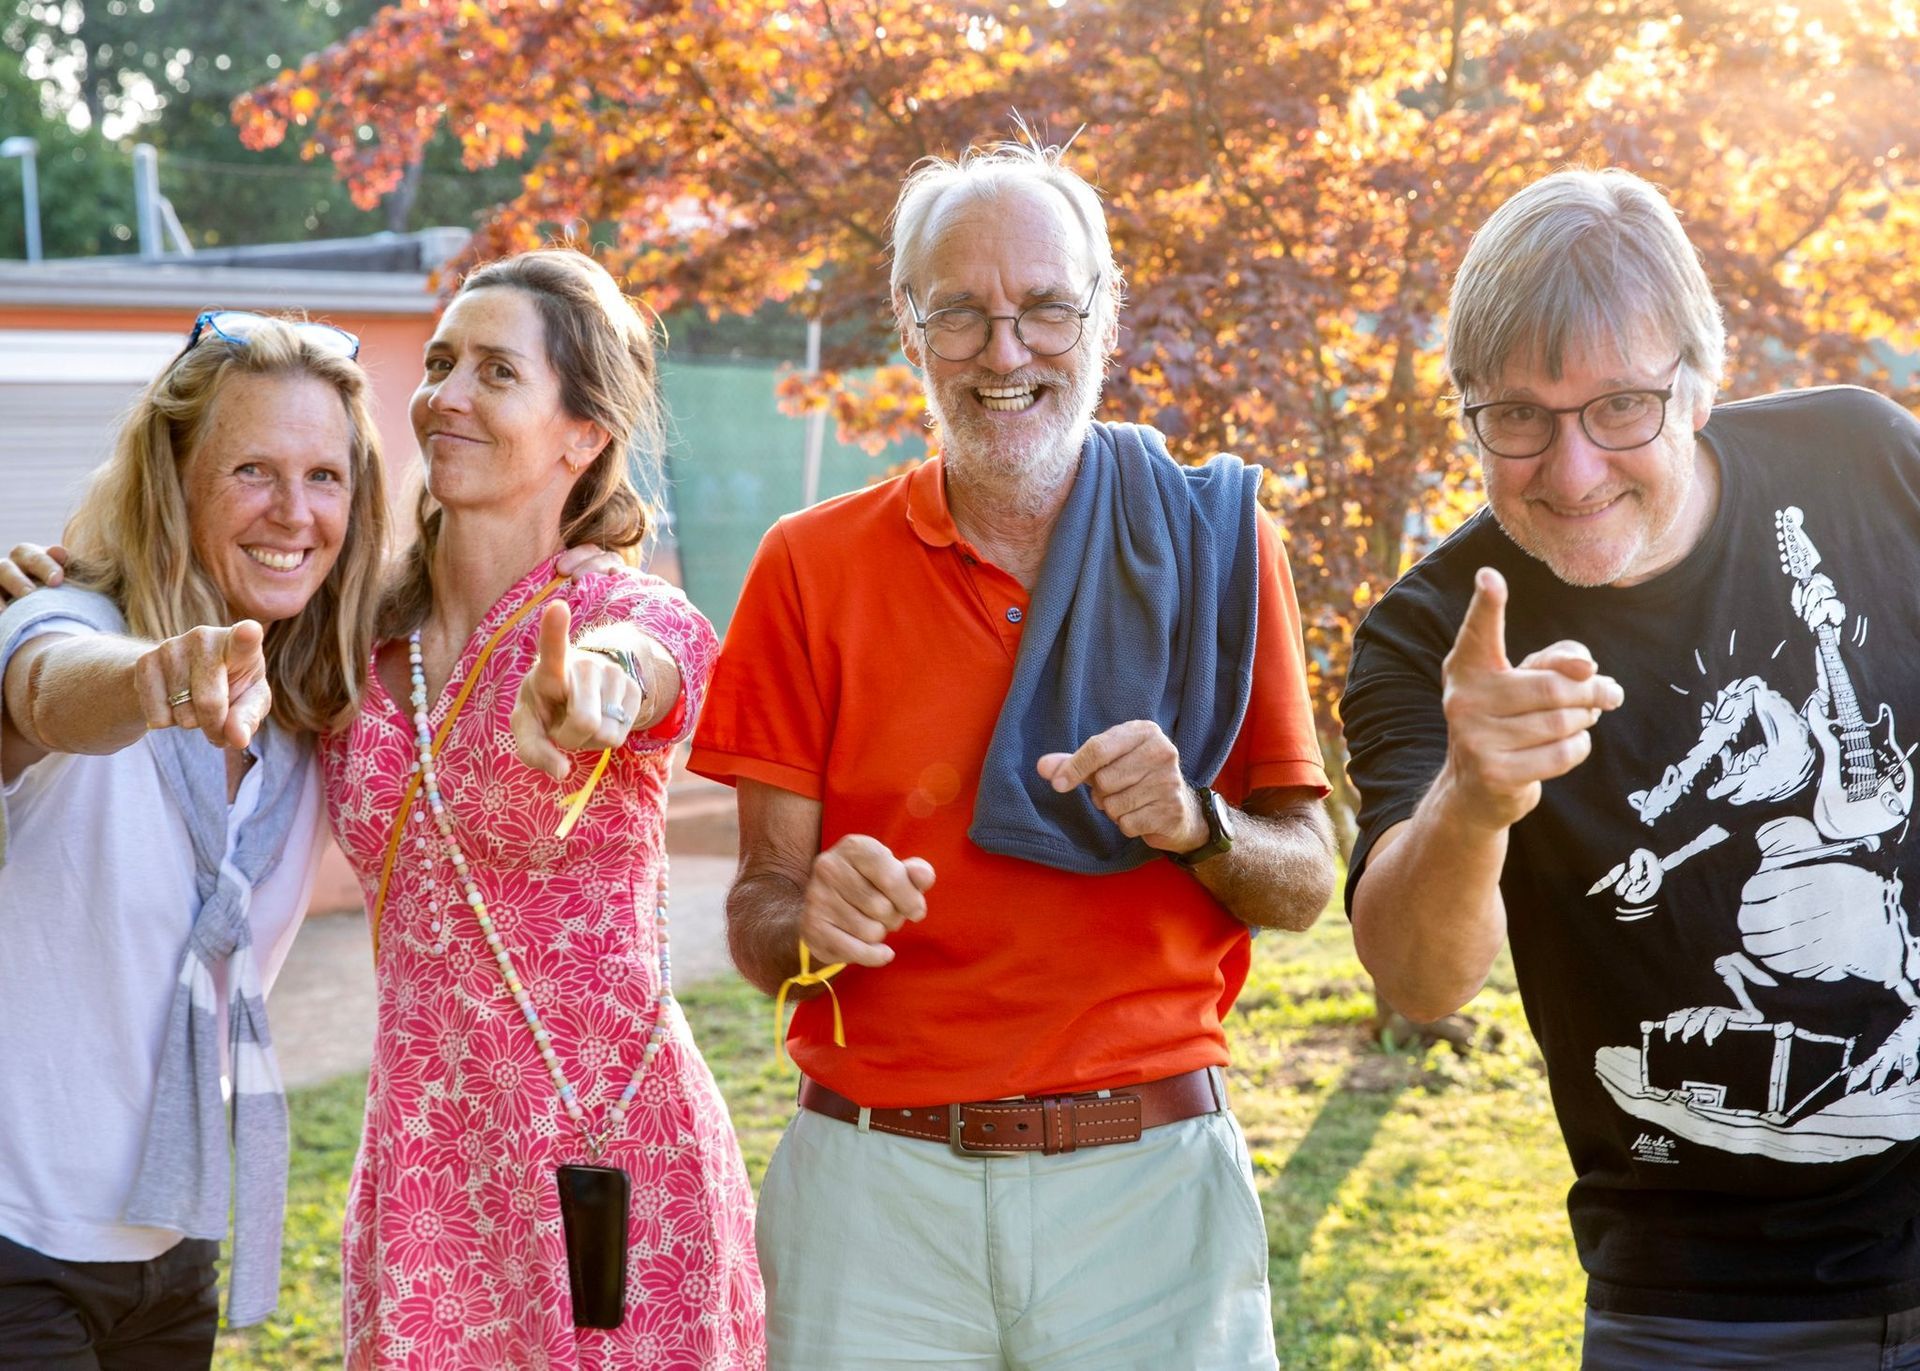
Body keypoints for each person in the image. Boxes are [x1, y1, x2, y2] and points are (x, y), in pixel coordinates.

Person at [690, 137, 1336, 1369]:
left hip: (1152, 1194)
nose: (1006, 353)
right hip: (876, 1198)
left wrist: (1197, 822)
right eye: (962, 315)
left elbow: (1306, 878)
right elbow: (762, 920)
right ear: (908, 327)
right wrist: (813, 913)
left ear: (1103, 315)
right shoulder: (807, 567)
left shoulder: (1220, 542)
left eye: (1045, 308)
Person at [1341, 166, 1920, 1367]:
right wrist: (1474, 800)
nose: (1572, 470)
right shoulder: (1428, 634)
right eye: (1516, 418)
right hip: (1699, 1307)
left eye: (1619, 407)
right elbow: (1417, 979)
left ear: (1700, 385)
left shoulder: (1864, 463)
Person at [319, 248, 764, 1370]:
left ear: (583, 434)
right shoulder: (355, 639)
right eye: (441, 362)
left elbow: (653, 662)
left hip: (605, 1164)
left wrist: (600, 688)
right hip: (425, 1162)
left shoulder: (615, 607)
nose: (447, 396)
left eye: (497, 373)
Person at [0, 311, 390, 1366]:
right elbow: (44, 692)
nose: (294, 512)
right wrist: (152, 681)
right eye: (252, 471)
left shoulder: (315, 712)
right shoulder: (64, 620)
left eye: (325, 477)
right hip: (17, 1242)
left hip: (175, 1253)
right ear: (173, 480)